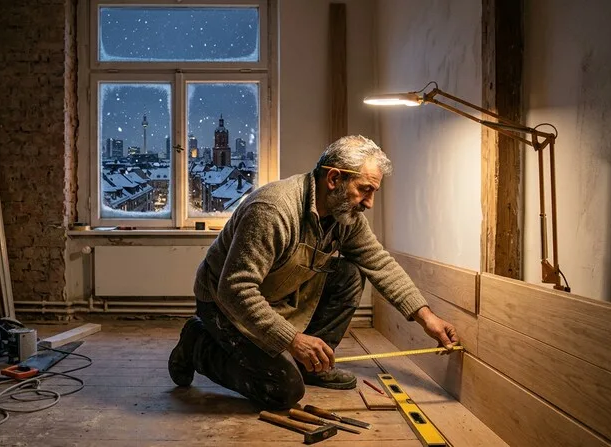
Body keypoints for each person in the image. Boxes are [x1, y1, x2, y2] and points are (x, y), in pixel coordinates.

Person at [168, 135, 459, 410]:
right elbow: (236, 290)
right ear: (334, 179)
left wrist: (426, 317)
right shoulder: (273, 211)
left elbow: (379, 262)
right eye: (365, 189)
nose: (369, 203)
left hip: (273, 294)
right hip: (223, 304)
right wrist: (292, 340)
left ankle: (313, 364)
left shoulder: (346, 216)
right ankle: (197, 345)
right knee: (283, 390)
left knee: (349, 273)